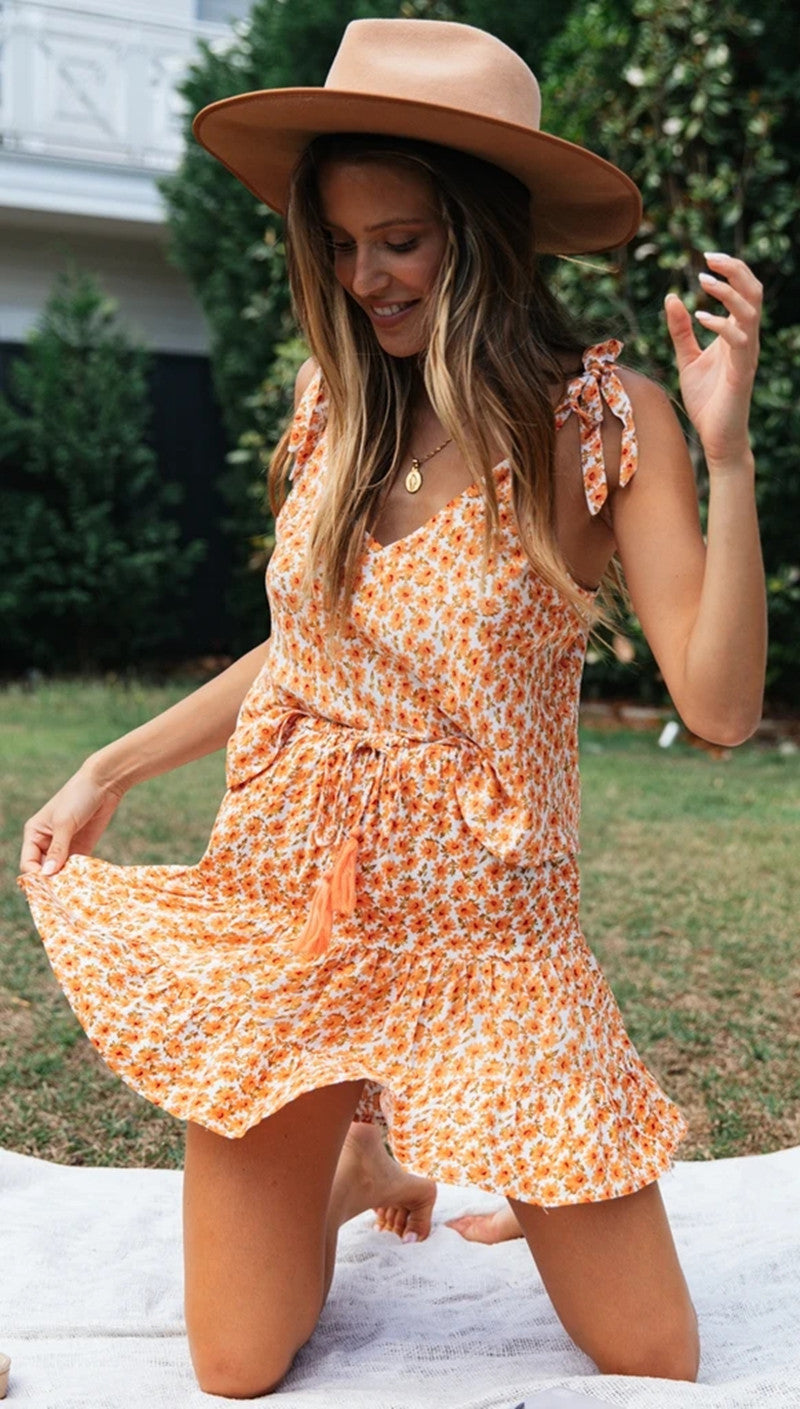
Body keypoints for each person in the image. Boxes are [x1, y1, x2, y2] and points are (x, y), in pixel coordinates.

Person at [19, 17, 765, 1399]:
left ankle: (418, 1134)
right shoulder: (333, 406)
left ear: (482, 232)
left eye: (402, 239)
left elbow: (719, 709)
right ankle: (364, 1161)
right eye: (344, 242)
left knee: (652, 1356)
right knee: (238, 1360)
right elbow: (310, 648)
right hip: (301, 912)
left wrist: (726, 455)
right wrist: (110, 766)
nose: (364, 275)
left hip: (497, 945)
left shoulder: (605, 424)